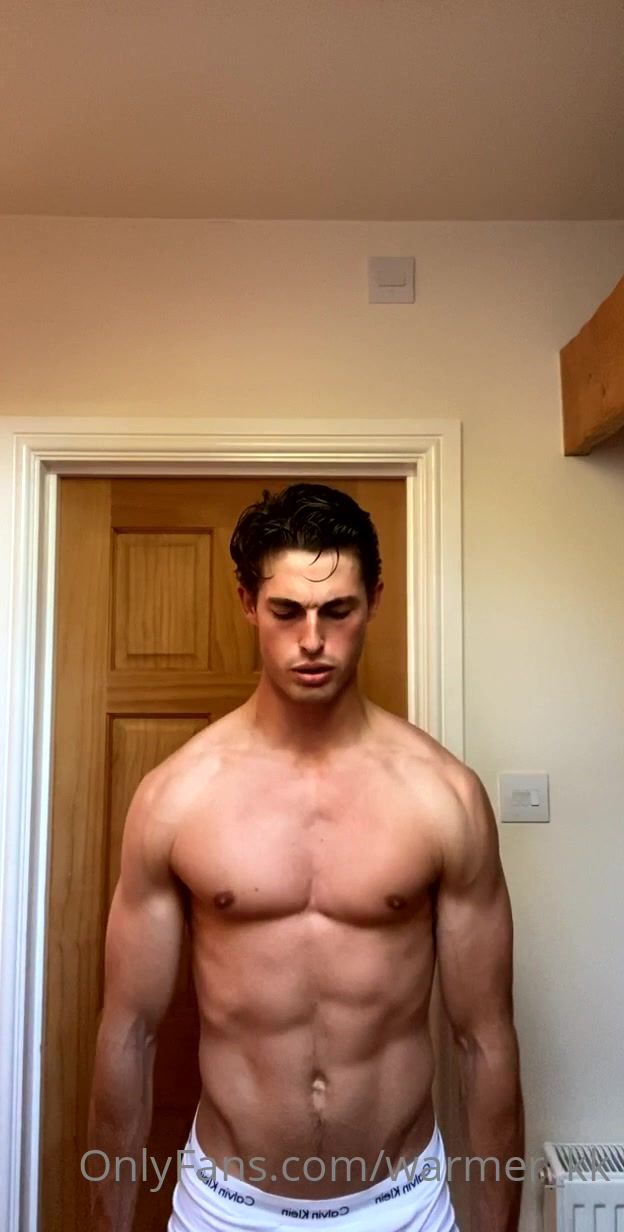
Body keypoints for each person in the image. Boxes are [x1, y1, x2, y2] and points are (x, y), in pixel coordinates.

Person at [87, 482, 524, 1232]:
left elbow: (484, 1040)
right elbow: (129, 1034)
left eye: (338, 610)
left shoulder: (443, 797)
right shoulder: (177, 796)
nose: (312, 639)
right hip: (225, 1208)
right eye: (287, 610)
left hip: (402, 1206)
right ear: (248, 603)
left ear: (374, 601)